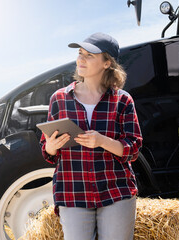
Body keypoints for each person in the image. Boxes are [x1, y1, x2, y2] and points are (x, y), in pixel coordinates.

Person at [40, 32, 143, 240]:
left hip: (116, 190)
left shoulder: (123, 100)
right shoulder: (59, 99)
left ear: (107, 63)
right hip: (73, 191)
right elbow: (48, 152)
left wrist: (102, 141)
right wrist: (51, 146)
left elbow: (133, 149)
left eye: (90, 55)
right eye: (80, 53)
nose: (81, 59)